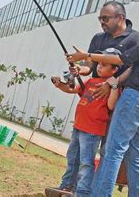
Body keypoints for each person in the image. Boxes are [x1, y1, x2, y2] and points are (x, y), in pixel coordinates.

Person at [67, 0, 139, 196]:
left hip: (136, 99)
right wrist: (112, 80)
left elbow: (121, 59)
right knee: (134, 154)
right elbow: (134, 65)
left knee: (112, 152)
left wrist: (88, 55)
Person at [49, 49, 121, 197]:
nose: (99, 67)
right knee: (72, 158)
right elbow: (72, 90)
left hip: (92, 130)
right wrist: (59, 84)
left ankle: (82, 192)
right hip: (79, 126)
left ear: (115, 69)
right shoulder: (90, 81)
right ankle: (66, 186)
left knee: (86, 163)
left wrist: (114, 85)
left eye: (104, 65)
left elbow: (111, 106)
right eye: (99, 63)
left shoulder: (112, 87)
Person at [70, 1, 139, 98]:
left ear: (120, 18)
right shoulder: (98, 38)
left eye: (105, 18)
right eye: (100, 19)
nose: (102, 22)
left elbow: (136, 71)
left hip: (119, 97)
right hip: (95, 96)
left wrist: (111, 85)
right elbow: (89, 67)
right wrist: (80, 69)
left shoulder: (136, 40)